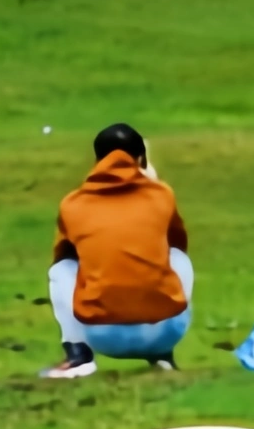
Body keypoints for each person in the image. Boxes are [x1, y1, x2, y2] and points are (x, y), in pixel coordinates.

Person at [39, 123, 193, 379]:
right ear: (141, 159)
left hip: (102, 335)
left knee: (63, 268)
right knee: (176, 256)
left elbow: (64, 254)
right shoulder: (162, 195)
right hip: (165, 333)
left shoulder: (73, 204)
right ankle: (163, 356)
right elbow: (177, 242)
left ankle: (78, 356)